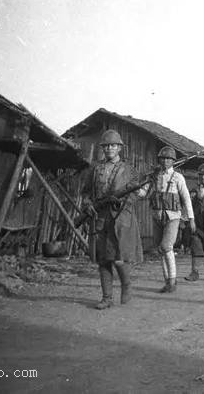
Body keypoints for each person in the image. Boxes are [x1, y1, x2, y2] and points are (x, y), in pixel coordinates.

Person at [82, 129, 143, 309]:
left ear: (119, 148)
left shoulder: (129, 170)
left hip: (121, 218)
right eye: (106, 145)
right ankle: (106, 298)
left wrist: (123, 201)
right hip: (100, 217)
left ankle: (126, 284)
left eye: (113, 145)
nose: (109, 148)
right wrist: (88, 205)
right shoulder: (95, 168)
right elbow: (86, 192)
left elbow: (136, 194)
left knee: (118, 258)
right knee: (103, 259)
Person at [139, 146, 195, 293]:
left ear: (173, 161)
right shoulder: (154, 176)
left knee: (166, 246)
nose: (165, 161)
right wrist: (134, 187)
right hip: (157, 216)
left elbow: (186, 198)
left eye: (168, 159)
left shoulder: (178, 177)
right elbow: (142, 192)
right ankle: (167, 281)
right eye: (163, 158)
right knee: (160, 249)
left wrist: (191, 218)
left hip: (173, 217)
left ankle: (173, 280)